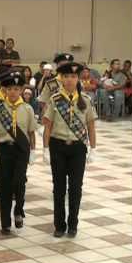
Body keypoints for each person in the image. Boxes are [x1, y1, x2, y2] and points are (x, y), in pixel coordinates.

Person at [42, 62, 97, 238]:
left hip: (78, 148)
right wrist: (44, 148)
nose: (70, 80)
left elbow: (91, 126)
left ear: (78, 78)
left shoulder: (86, 100)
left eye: (73, 76)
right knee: (58, 188)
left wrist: (93, 148)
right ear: (62, 79)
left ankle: (73, 225)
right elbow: (48, 126)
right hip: (57, 146)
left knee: (75, 188)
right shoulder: (55, 99)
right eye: (66, 76)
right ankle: (59, 225)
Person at [0, 69, 37, 234]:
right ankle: (5, 222)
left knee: (19, 182)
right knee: (4, 186)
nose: (13, 92)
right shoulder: (0, 109)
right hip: (4, 149)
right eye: (9, 89)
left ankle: (18, 211)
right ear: (5, 90)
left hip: (22, 149)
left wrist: (33, 151)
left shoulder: (28, 109)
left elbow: (31, 132)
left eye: (16, 89)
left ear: (21, 90)